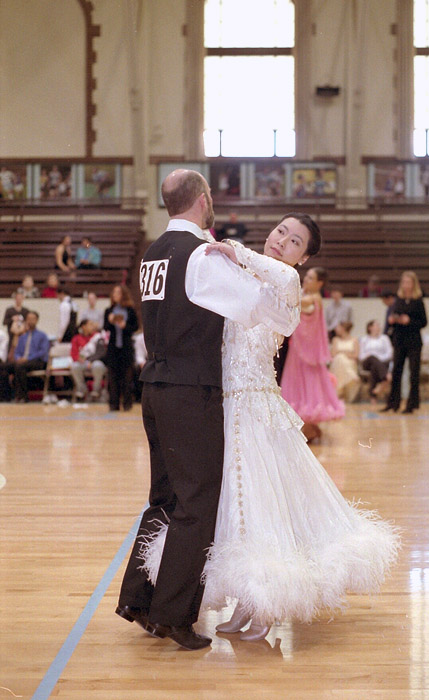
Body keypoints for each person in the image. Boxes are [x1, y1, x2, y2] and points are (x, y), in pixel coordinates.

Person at [140, 219, 400, 644]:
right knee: (231, 508)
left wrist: (237, 250)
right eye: (281, 231)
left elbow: (280, 274)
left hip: (257, 409)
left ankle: (265, 601)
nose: (282, 241)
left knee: (259, 505)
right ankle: (244, 596)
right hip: (222, 406)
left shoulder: (287, 281)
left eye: (294, 241)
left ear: (305, 257)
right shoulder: (240, 275)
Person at [116, 170, 307, 651]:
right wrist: (247, 262)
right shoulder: (202, 254)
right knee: (195, 504)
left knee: (162, 497)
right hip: (188, 391)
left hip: (153, 388)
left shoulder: (152, 253)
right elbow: (265, 310)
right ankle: (172, 616)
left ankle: (138, 598)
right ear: (204, 201)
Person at [281, 267, 345, 442]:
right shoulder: (307, 296)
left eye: (310, 278)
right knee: (304, 387)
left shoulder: (313, 299)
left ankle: (309, 428)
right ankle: (311, 428)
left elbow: (297, 304)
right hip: (300, 350)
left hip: (305, 353)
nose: (306, 280)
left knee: (306, 388)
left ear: (319, 283)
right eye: (306, 277)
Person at [381, 271, 427, 414]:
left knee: (414, 373)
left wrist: (410, 321)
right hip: (399, 340)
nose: (406, 285)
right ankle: (393, 403)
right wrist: (393, 321)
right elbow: (394, 316)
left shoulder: (418, 301)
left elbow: (424, 322)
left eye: (409, 282)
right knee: (396, 372)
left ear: (414, 284)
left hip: (414, 341)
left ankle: (411, 404)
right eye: (404, 282)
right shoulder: (398, 300)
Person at [1, 311, 49, 403]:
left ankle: (23, 396)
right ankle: (4, 396)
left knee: (20, 367)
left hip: (37, 362)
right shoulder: (22, 337)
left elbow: (43, 352)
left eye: (33, 319)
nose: (30, 321)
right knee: (3, 367)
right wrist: (18, 358)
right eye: (29, 319)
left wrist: (28, 359)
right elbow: (17, 352)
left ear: (37, 320)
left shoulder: (42, 335)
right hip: (22, 362)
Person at [103, 284, 138, 411]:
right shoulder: (109, 310)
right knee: (113, 377)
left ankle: (127, 404)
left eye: (117, 293)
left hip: (126, 348)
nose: (115, 295)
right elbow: (105, 327)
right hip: (113, 349)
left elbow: (135, 327)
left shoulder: (130, 310)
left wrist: (125, 326)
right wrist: (110, 321)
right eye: (114, 293)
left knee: (127, 378)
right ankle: (113, 404)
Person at [70, 320, 107, 400]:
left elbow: (101, 352)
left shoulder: (98, 337)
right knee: (74, 366)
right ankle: (82, 389)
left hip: (95, 361)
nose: (93, 326)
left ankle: (96, 389)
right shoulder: (76, 338)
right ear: (84, 326)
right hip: (83, 362)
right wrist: (78, 359)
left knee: (98, 366)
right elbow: (73, 353)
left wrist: (91, 361)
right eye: (90, 324)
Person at [359, 320, 393, 403]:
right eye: (376, 325)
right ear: (370, 327)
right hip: (367, 362)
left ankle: (373, 396)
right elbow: (360, 355)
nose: (378, 327)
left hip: (382, 362)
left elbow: (389, 353)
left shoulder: (384, 338)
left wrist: (377, 359)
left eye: (379, 325)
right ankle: (386, 377)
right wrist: (372, 357)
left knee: (375, 366)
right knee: (372, 358)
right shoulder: (364, 340)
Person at [330, 321, 361, 402]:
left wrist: (341, 352)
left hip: (350, 363)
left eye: (338, 327)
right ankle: (352, 376)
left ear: (343, 329)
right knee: (339, 359)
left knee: (340, 358)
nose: (336, 329)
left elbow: (356, 355)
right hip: (337, 363)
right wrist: (346, 353)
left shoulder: (354, 340)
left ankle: (341, 391)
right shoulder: (335, 340)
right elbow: (333, 354)